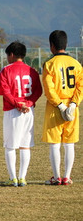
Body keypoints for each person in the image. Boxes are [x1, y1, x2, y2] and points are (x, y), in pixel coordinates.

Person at [0, 41, 42, 187]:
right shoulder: (32, 70)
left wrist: (17, 104)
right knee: (25, 145)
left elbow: (5, 91)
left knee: (10, 146)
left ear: (11, 54)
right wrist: (28, 103)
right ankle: (22, 177)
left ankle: (13, 178)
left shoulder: (6, 70)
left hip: (12, 111)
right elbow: (38, 91)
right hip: (29, 111)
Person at [42, 30, 82, 185]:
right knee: (69, 142)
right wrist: (73, 104)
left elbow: (49, 88)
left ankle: (57, 177)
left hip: (55, 107)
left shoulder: (50, 64)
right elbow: (81, 86)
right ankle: (67, 176)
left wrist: (60, 105)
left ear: (52, 46)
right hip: (72, 107)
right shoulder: (76, 64)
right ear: (66, 44)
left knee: (55, 143)